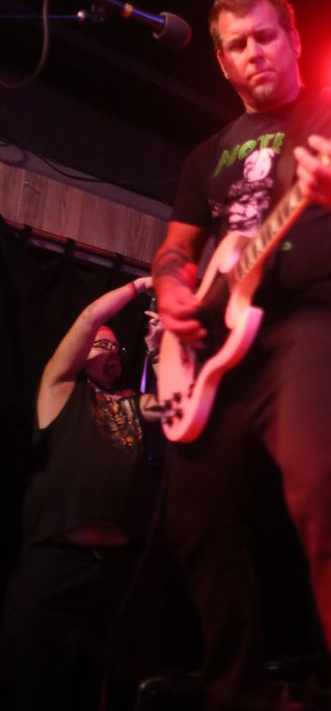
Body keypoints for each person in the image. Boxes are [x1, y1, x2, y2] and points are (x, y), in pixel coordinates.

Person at [152, 0, 331, 711]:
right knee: (195, 520)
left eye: (265, 36)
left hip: (317, 316)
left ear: (294, 39)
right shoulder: (208, 154)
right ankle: (237, 693)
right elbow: (177, 250)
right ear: (221, 61)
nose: (254, 53)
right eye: (236, 45)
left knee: (320, 482)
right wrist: (173, 288)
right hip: (216, 346)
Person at [0, 277, 160, 711]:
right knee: (29, 678)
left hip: (113, 572)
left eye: (115, 347)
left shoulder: (133, 403)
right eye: (99, 345)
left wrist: (160, 350)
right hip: (56, 564)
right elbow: (91, 317)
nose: (110, 351)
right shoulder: (60, 390)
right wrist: (140, 285)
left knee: (90, 687)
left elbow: (177, 404)